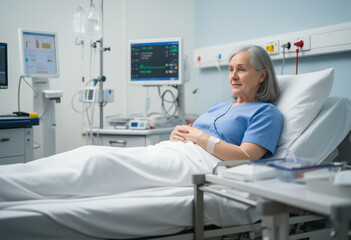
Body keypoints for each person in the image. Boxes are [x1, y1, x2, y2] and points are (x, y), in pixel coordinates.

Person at [0, 45, 282, 201]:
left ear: (262, 75)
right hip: (169, 152)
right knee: (88, 153)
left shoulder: (266, 113)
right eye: (231, 69)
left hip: (197, 165)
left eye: (241, 69)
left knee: (97, 165)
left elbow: (246, 157)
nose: (233, 75)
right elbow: (197, 134)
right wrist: (180, 132)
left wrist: (197, 137)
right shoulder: (221, 106)